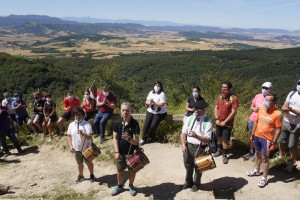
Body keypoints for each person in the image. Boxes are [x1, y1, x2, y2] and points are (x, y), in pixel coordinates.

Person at [246, 93, 282, 188]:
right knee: (257, 154)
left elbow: (278, 130)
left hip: (267, 139)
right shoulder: (261, 109)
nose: (266, 102)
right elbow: (256, 122)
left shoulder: (277, 113)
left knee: (265, 158)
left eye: (269, 100)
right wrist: (253, 134)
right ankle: (257, 170)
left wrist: (274, 142)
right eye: (265, 99)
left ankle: (264, 177)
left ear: (274, 102)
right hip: (257, 136)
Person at [180, 100, 212, 192]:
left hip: (201, 147)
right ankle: (188, 182)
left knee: (200, 166)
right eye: (195, 109)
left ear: (203, 110)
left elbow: (207, 139)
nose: (196, 111)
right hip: (188, 145)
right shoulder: (189, 118)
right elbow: (183, 133)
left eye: (199, 109)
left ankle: (197, 183)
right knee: (188, 165)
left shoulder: (207, 121)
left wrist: (196, 136)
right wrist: (183, 144)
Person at [111, 102, 140, 196]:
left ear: (131, 111)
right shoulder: (117, 123)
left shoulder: (135, 124)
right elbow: (115, 138)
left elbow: (136, 142)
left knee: (132, 170)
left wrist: (129, 139)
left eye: (127, 110)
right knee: (120, 170)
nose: (125, 112)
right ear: (120, 111)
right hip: (120, 152)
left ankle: (131, 186)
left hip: (132, 152)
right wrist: (116, 152)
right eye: (123, 110)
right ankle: (119, 186)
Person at [243, 82, 272, 160]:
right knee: (252, 136)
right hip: (253, 119)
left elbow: (272, 111)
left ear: (270, 89)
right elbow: (251, 106)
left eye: (266, 88)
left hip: (262, 121)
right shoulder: (257, 96)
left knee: (259, 137)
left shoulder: (271, 99)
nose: (264, 89)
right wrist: (254, 109)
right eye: (263, 87)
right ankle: (251, 151)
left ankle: (257, 153)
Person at [66, 107, 95, 183]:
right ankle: (81, 176)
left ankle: (92, 175)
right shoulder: (71, 125)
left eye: (79, 114)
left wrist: (83, 133)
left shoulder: (87, 124)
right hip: (76, 149)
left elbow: (89, 137)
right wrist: (70, 146)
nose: (77, 116)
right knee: (79, 163)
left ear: (82, 115)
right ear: (73, 115)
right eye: (76, 115)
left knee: (89, 163)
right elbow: (69, 136)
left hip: (86, 148)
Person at [277, 80, 300, 172]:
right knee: (281, 141)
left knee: (292, 145)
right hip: (286, 122)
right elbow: (285, 104)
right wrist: (284, 107)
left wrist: (292, 110)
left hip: (297, 125)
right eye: (299, 84)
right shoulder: (291, 93)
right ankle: (280, 156)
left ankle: (291, 162)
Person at [214, 81, 239, 164]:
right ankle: (219, 150)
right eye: (222, 87)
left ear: (229, 89)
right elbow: (216, 107)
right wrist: (216, 118)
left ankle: (225, 155)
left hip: (227, 123)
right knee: (219, 137)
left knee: (226, 139)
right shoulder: (219, 97)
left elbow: (233, 112)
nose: (223, 89)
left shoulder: (233, 98)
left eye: (225, 88)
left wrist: (225, 121)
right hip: (219, 121)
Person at [139, 81, 167, 145]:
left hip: (159, 113)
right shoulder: (151, 92)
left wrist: (154, 103)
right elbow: (146, 101)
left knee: (153, 126)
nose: (157, 87)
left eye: (158, 86)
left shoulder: (162, 94)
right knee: (146, 125)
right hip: (150, 110)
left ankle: (151, 137)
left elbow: (161, 105)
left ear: (161, 87)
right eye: (156, 85)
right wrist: (150, 103)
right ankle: (144, 139)